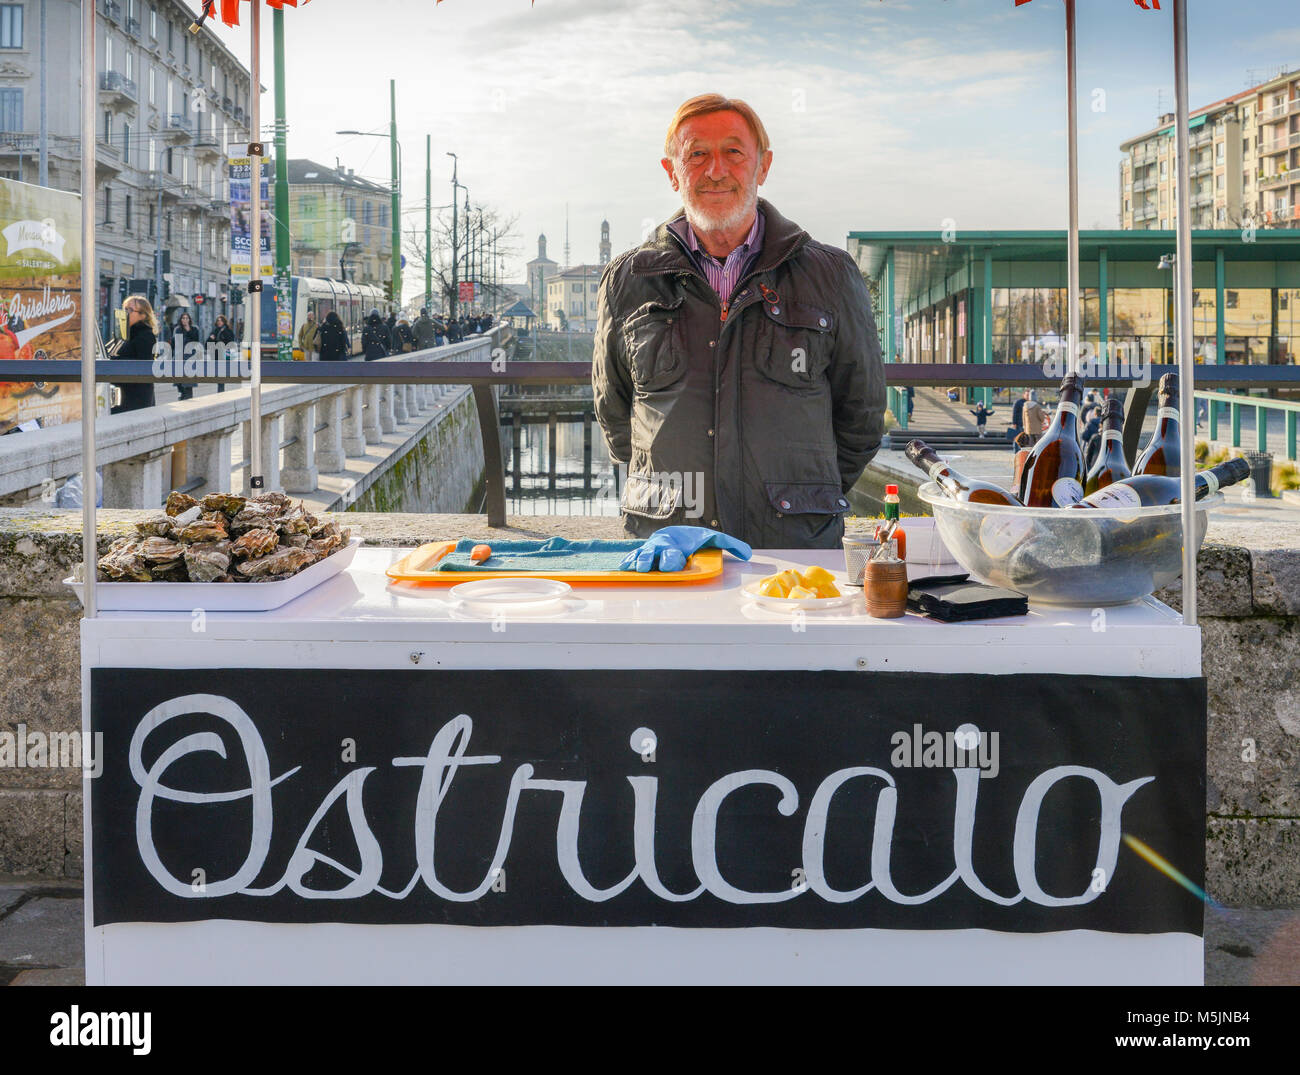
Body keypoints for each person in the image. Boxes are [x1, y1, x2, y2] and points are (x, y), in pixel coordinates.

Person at [593, 93, 885, 548]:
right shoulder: (628, 281)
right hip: (668, 543)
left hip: (793, 546)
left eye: (733, 152)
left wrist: (805, 495)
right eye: (697, 155)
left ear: (762, 166)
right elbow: (615, 412)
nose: (715, 170)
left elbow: (861, 415)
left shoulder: (830, 276)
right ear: (672, 172)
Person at [112, 295, 159, 413]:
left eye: (130, 310)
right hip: (123, 395)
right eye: (124, 309)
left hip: (135, 399)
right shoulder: (124, 335)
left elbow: (143, 367)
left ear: (143, 315)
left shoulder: (145, 336)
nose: (125, 313)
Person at [206, 314, 236, 393]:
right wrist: (210, 339)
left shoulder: (228, 331)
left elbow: (231, 344)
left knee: (221, 376)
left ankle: (221, 391)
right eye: (218, 320)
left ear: (224, 322)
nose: (219, 322)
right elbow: (207, 344)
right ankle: (220, 390)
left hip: (224, 356)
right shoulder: (215, 331)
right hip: (215, 356)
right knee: (218, 375)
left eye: (221, 320)